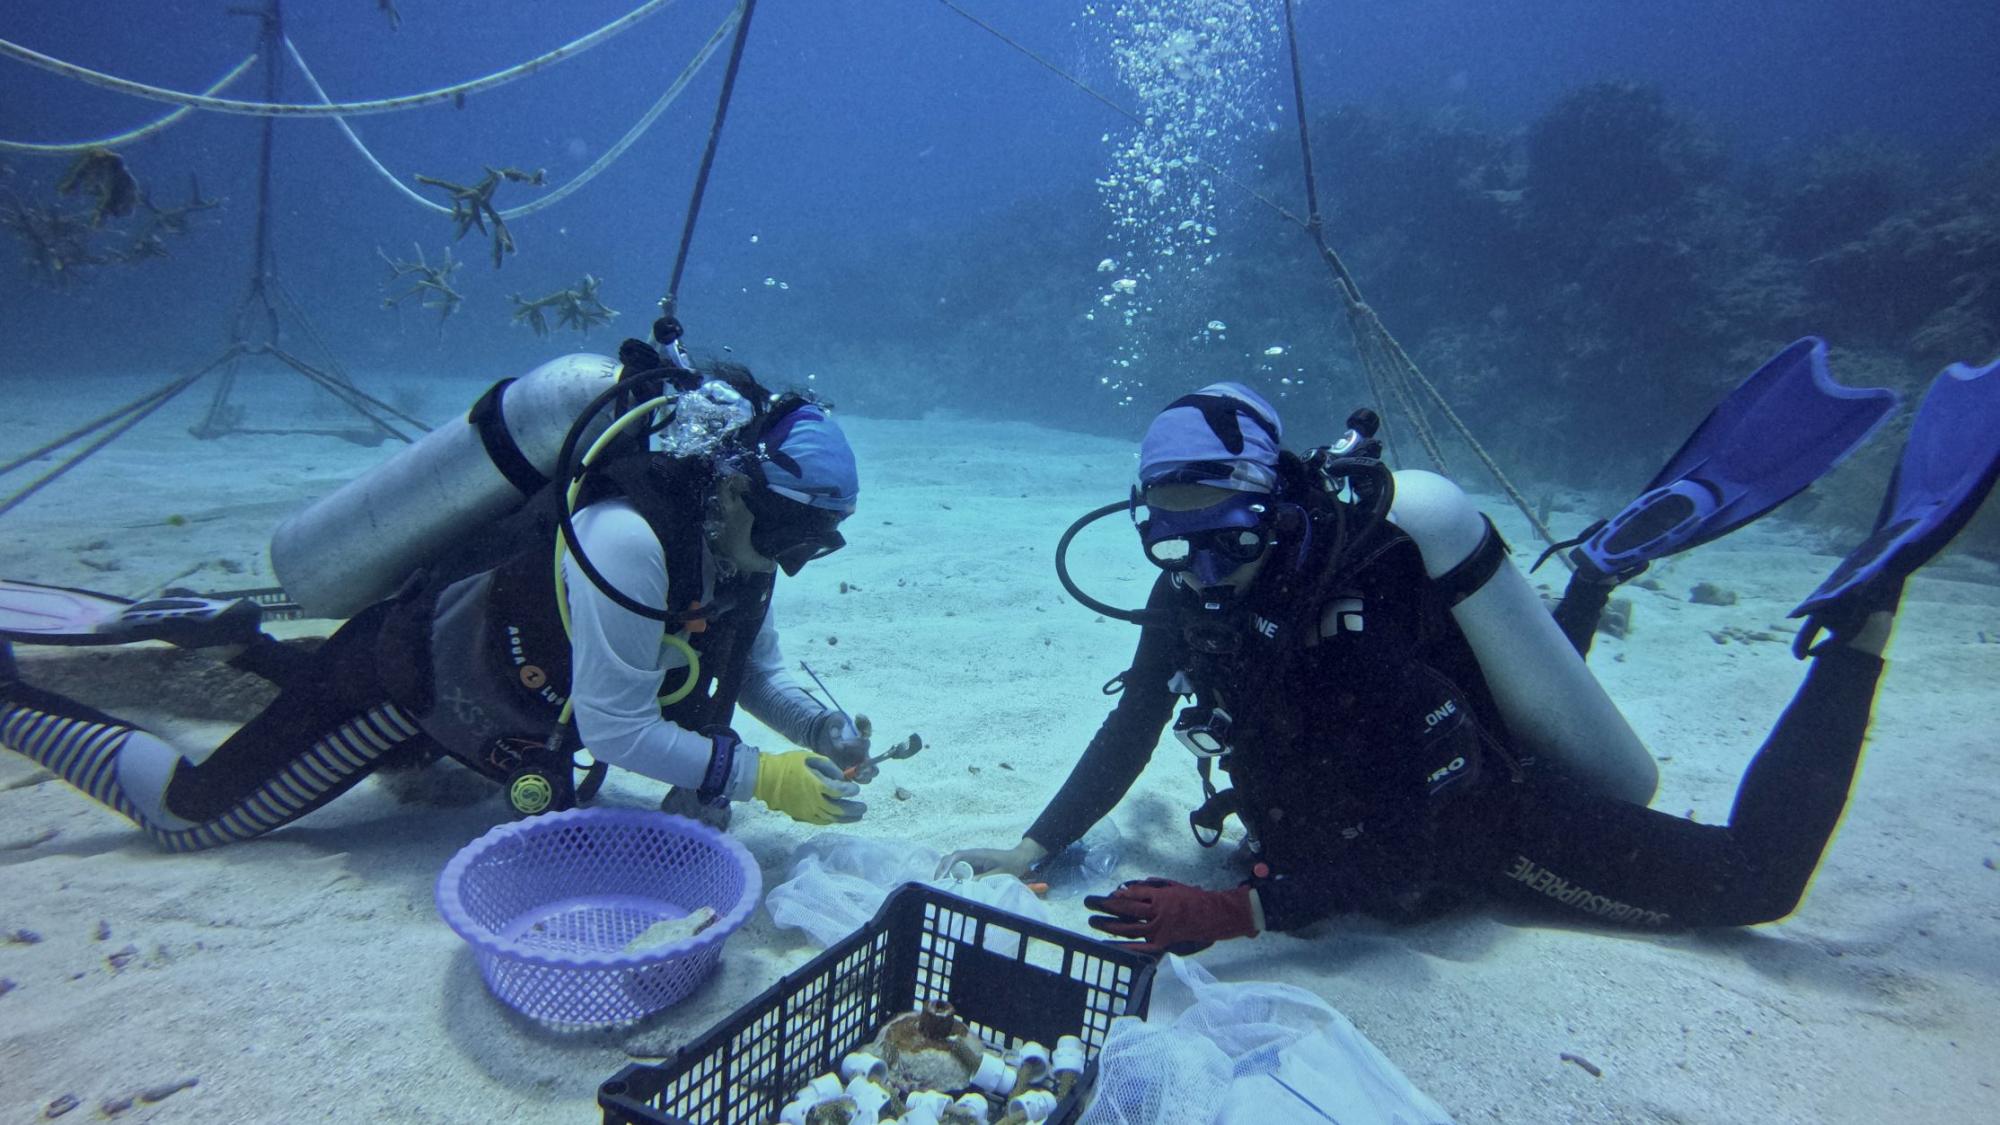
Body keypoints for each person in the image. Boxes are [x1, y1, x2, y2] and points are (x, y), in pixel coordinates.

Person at [946, 341, 2000, 955]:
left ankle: (1866, 620)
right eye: (1169, 534)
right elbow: (1134, 718)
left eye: (1219, 531)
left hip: (1485, 818)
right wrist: (1034, 846)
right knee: (1498, 679)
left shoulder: (1350, 609)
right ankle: (1588, 576)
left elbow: (1425, 831)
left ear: (1268, 500)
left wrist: (1241, 910)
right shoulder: (1191, 586)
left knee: (1753, 884)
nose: (1198, 565)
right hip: (1353, 810)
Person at [0, 353, 870, 851]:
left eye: (818, 540)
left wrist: (819, 730)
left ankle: (234, 639)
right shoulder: (626, 541)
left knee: (382, 759)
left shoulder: (735, 548)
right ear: (732, 482)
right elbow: (616, 731)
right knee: (191, 816)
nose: (795, 558)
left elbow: (757, 673)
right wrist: (764, 777)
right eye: (791, 529)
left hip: (492, 716)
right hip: (405, 683)